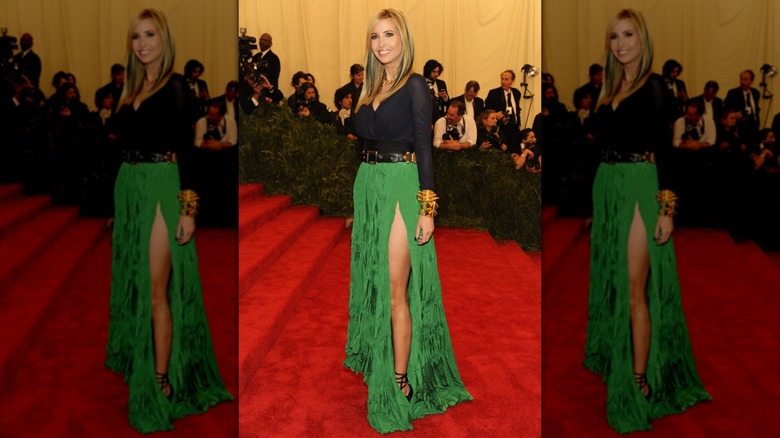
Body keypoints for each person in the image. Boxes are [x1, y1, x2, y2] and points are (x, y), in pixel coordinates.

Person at [344, 8, 472, 434]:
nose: (382, 44)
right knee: (375, 282)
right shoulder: (368, 84)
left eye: (390, 35)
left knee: (396, 288)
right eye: (376, 36)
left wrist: (427, 207)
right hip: (368, 184)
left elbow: (423, 142)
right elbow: (360, 136)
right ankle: (379, 360)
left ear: (404, 39)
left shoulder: (416, 84)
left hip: (401, 184)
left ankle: (399, 376)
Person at [104, 8, 232, 434]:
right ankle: (142, 361)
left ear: (165, 40)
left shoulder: (176, 86)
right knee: (135, 280)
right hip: (131, 186)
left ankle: (161, 376)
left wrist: (188, 209)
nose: (143, 44)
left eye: (150, 35)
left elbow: (188, 150)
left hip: (163, 185)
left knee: (157, 288)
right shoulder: (128, 87)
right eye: (137, 37)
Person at [583, 8, 710, 433]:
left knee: (635, 287)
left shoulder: (654, 86)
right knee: (614, 279)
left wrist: (666, 208)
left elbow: (667, 149)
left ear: (643, 39)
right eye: (615, 36)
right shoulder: (609, 87)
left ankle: (639, 375)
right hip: (609, 186)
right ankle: (619, 358)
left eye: (629, 35)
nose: (621, 44)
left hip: (640, 184)